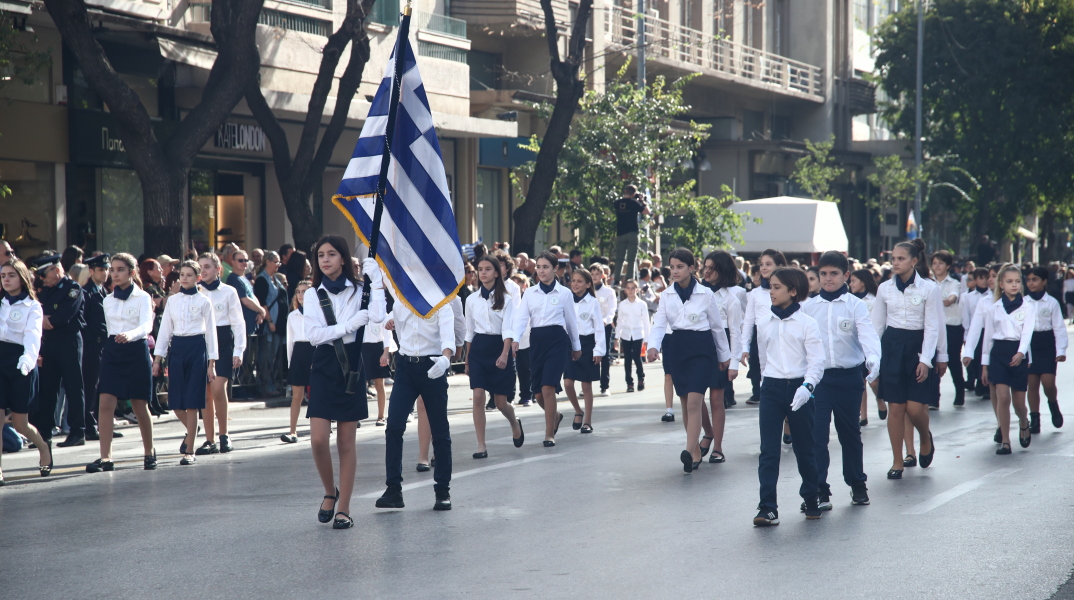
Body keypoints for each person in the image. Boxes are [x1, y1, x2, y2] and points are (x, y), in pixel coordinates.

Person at [304, 237, 386, 527]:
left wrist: (375, 280)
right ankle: (330, 491)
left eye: (332, 254)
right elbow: (314, 335)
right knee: (317, 440)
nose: (325, 260)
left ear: (343, 258)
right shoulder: (313, 294)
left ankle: (345, 508)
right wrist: (349, 325)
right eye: (321, 255)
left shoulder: (361, 290)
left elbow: (377, 317)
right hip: (324, 363)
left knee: (346, 443)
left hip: (352, 363)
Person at [801, 252, 880, 510]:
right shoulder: (809, 307)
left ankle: (857, 484)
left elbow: (867, 334)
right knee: (817, 436)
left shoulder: (854, 305)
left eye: (834, 273)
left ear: (846, 275)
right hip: (819, 379)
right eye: (823, 274)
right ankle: (819, 490)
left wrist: (873, 360)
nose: (828, 279)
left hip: (848, 377)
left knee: (850, 434)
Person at [747, 267, 824, 525]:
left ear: (793, 291)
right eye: (770, 286)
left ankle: (811, 498)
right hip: (771, 388)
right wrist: (764, 386)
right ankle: (767, 506)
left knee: (804, 448)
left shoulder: (808, 324)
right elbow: (762, 358)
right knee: (768, 450)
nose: (772, 291)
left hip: (800, 389)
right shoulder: (764, 321)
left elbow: (816, 363)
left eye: (777, 287)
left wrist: (808, 387)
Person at [646, 248, 732, 473]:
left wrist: (724, 357)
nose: (675, 271)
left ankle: (687, 448)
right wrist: (653, 346)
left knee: (695, 400)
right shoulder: (666, 295)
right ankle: (694, 451)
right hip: (677, 348)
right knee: (685, 402)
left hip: (701, 349)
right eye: (672, 267)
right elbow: (659, 323)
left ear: (692, 268)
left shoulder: (705, 294)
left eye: (680, 267)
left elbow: (716, 327)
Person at [375, 293, 454, 513]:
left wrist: (446, 359)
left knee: (440, 431)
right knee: (394, 427)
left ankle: (442, 490)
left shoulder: (440, 302)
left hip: (433, 363)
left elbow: (448, 337)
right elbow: (382, 318)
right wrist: (388, 320)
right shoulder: (402, 299)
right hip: (406, 367)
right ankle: (393, 489)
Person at [872, 240, 940, 479]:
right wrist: (873, 358)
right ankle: (897, 460)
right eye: (893, 258)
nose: (896, 263)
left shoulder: (929, 289)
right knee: (896, 408)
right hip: (891, 347)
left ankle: (925, 436)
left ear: (914, 261)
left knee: (914, 407)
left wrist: (926, 359)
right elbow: (877, 325)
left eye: (901, 258)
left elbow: (932, 327)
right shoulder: (884, 289)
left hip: (917, 348)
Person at [86, 253, 157, 473]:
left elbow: (147, 326)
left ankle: (149, 451)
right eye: (112, 270)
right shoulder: (107, 299)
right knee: (105, 402)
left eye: (120, 270)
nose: (114, 274)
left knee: (139, 405)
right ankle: (105, 458)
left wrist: (130, 334)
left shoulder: (143, 297)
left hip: (136, 349)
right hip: (113, 351)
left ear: (132, 273)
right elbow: (107, 328)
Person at [508, 251, 581, 447]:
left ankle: (549, 434)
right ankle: (555, 415)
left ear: (555, 269)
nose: (541, 271)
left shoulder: (565, 293)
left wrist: (576, 346)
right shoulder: (530, 293)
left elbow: (571, 322)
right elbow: (522, 318)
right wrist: (515, 340)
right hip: (537, 341)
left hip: (558, 341)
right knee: (539, 393)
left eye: (545, 267)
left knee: (549, 387)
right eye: (538, 267)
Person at [153, 260, 218, 466]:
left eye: (189, 275)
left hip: (197, 347)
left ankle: (189, 451)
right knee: (175, 402)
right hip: (177, 348)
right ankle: (193, 429)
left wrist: (212, 363)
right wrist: (158, 359)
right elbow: (164, 331)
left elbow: (211, 333)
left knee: (192, 402)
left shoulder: (204, 301)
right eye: (182, 274)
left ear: (198, 278)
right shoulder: (172, 301)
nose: (184, 278)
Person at [465, 255, 523, 457]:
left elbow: (508, 329)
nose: (482, 272)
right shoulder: (471, 299)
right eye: (480, 269)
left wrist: (505, 354)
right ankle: (481, 445)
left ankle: (514, 422)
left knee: (500, 403)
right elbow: (469, 331)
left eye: (488, 269)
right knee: (478, 396)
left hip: (499, 347)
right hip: (479, 349)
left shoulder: (506, 299)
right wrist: (467, 358)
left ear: (497, 272)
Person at [0, 259, 54, 480]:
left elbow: (33, 337)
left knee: (21, 424)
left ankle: (43, 447)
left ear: (21, 278)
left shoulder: (33, 306)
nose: (6, 280)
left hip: (20, 361)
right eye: (3, 276)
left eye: (11, 275)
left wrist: (27, 361)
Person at [30, 254, 87, 447]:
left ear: (56, 270)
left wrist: (46, 320)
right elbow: (35, 314)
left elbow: (63, 317)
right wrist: (44, 320)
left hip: (68, 342)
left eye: (43, 274)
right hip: (48, 344)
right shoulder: (43, 291)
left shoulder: (72, 289)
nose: (41, 279)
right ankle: (44, 433)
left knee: (73, 386)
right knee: (48, 388)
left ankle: (77, 431)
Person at [980, 264, 1035, 454]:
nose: (1014, 285)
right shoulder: (993, 308)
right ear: (1001, 284)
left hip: (1018, 352)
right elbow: (988, 337)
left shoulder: (1028, 307)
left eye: (1017, 281)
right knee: (1002, 397)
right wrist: (984, 366)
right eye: (1009, 281)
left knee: (1019, 404)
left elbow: (1027, 333)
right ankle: (1005, 441)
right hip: (999, 354)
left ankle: (1023, 420)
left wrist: (1021, 353)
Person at [195, 252, 246, 454]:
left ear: (218, 270)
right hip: (201, 340)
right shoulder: (194, 291)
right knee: (205, 393)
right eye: (200, 267)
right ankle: (210, 439)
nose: (203, 271)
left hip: (223, 339)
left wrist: (239, 349)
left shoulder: (229, 291)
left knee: (217, 387)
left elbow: (238, 322)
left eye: (207, 266)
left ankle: (224, 434)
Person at [697, 250, 743, 461]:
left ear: (722, 270)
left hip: (720, 350)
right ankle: (708, 432)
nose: (706, 272)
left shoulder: (731, 299)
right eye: (705, 267)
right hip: (698, 347)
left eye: (711, 268)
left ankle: (718, 447)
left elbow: (735, 332)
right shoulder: (696, 293)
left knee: (717, 399)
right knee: (695, 399)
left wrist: (734, 363)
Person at [741, 249, 788, 406]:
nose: (764, 268)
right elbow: (748, 321)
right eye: (761, 264)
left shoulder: (790, 290)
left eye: (768, 264)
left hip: (786, 342)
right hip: (761, 342)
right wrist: (744, 347)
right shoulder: (755, 293)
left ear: (780, 266)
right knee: (766, 381)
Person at [1025, 266, 1066, 433]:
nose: (1031, 283)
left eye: (1034, 280)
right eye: (1028, 280)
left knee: (1048, 383)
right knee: (1032, 383)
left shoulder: (1052, 303)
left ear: (1044, 281)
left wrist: (1061, 350)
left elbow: (1059, 328)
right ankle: (1035, 419)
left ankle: (1053, 404)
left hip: (1047, 343)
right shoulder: (1023, 302)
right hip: (1030, 345)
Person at [564, 268, 605, 434]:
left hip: (587, 344)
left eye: (579, 281)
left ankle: (587, 421)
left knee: (586, 385)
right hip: (570, 343)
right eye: (573, 280)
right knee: (567, 382)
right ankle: (578, 410)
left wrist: (599, 350)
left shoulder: (592, 302)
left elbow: (599, 328)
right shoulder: (567, 299)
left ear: (588, 284)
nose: (575, 284)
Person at [81, 254, 110, 441]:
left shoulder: (103, 291)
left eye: (106, 269)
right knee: (91, 387)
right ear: (91, 271)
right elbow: (84, 322)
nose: (105, 273)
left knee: (104, 387)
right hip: (91, 346)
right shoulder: (86, 293)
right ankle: (89, 426)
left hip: (103, 346)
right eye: (101, 269)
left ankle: (104, 424)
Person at [932, 251, 966, 406]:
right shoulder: (928, 283)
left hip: (951, 326)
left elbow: (953, 296)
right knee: (932, 360)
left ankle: (960, 391)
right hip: (934, 327)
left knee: (953, 361)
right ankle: (934, 397)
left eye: (940, 263)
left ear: (948, 266)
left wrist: (949, 300)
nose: (937, 266)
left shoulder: (954, 283)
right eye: (934, 263)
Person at [850, 268, 883, 425]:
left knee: (873, 381)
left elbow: (878, 324)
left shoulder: (874, 300)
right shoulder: (850, 301)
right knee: (859, 382)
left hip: (870, 344)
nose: (851, 284)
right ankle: (862, 415)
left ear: (863, 282)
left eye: (853, 280)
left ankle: (880, 399)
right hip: (855, 345)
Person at [283, 279, 313, 443]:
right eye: (298, 292)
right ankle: (292, 431)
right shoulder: (292, 316)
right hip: (299, 353)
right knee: (297, 395)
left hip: (314, 350)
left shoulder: (319, 313)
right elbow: (290, 341)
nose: (301, 295)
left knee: (317, 392)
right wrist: (291, 364)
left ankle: (321, 426)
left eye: (305, 291)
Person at [254, 251, 288, 397]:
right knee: (266, 355)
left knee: (274, 356)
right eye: (276, 261)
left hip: (279, 325)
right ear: (267, 261)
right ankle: (265, 384)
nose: (278, 265)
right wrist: (270, 321)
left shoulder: (275, 279)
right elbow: (263, 304)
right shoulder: (263, 280)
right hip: (270, 326)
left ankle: (272, 382)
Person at [611, 185, 651, 285]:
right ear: (633, 193)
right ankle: (629, 279)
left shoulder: (617, 203)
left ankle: (617, 279)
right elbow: (647, 212)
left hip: (620, 233)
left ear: (625, 191)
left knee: (619, 258)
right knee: (631, 259)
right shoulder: (634, 203)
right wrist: (642, 201)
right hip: (632, 232)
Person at [615, 279, 650, 393]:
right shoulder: (622, 305)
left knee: (637, 357)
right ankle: (629, 382)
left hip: (637, 334)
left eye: (633, 288)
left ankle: (641, 378)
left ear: (637, 289)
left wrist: (646, 339)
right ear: (625, 290)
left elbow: (646, 322)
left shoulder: (641, 304)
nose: (630, 290)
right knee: (627, 359)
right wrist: (617, 337)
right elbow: (619, 321)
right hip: (626, 334)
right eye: (628, 288)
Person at [591, 263, 617, 396]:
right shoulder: (587, 290)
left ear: (602, 275)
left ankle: (604, 386)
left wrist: (605, 320)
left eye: (597, 274)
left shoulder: (609, 291)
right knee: (588, 354)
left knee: (604, 354)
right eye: (592, 274)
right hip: (589, 327)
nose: (594, 277)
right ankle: (587, 384)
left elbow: (612, 309)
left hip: (604, 326)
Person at [509, 273, 533, 406]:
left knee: (525, 368)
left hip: (526, 338)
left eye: (517, 284)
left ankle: (527, 395)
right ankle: (509, 395)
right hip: (510, 337)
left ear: (524, 286)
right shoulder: (507, 299)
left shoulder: (529, 299)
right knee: (511, 369)